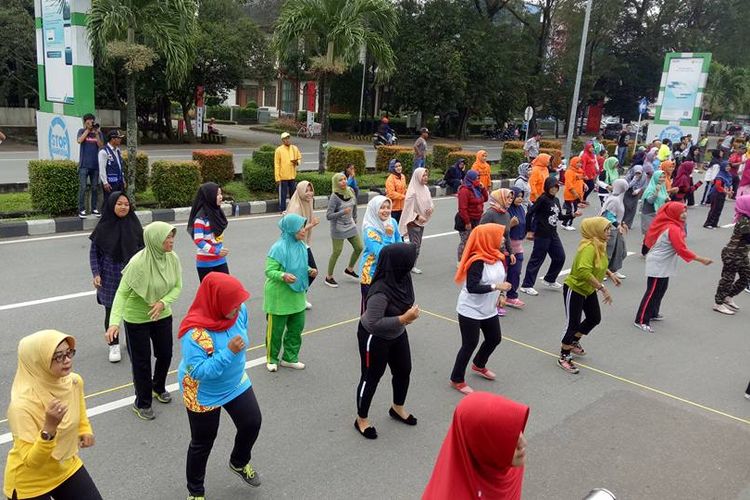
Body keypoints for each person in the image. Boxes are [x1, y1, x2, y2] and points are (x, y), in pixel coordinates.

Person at [178, 273, 263, 499]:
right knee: (203, 442)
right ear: (217, 303)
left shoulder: (239, 312)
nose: (239, 309)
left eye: (239, 303)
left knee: (252, 422)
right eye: (233, 305)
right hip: (202, 392)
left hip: (234, 382)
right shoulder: (195, 333)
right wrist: (228, 353)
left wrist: (233, 355)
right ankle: (195, 492)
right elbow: (198, 372)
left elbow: (241, 331)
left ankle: (238, 461)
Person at [4, 330, 102, 500]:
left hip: (66, 466)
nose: (67, 360)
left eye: (69, 353)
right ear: (38, 361)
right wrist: (49, 427)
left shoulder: (73, 381)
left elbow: (80, 411)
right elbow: (32, 462)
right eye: (58, 356)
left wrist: (85, 429)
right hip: (30, 483)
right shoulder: (21, 405)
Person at [106, 221, 183, 420]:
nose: (171, 240)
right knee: (141, 363)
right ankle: (142, 402)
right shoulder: (137, 263)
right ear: (155, 240)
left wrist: (163, 303)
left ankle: (158, 387)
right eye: (167, 237)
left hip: (162, 314)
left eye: (172, 236)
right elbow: (121, 294)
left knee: (165, 354)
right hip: (136, 318)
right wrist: (114, 323)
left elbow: (177, 287)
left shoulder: (172, 258)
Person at [355, 243, 420, 440]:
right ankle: (361, 419)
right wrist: (403, 318)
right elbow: (373, 323)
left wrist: (403, 320)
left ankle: (397, 407)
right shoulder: (380, 291)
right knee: (371, 377)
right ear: (399, 264)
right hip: (374, 337)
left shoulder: (403, 277)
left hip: (397, 333)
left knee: (403, 370)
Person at [423, 392, 529, 500]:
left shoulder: (509, 466)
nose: (523, 443)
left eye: (517, 433)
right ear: (483, 447)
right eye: (505, 439)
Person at [450, 224, 511, 394]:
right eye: (500, 236)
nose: (504, 239)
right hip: (470, 309)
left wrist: (501, 295)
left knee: (494, 338)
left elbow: (501, 279)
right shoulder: (477, 260)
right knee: (469, 344)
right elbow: (472, 287)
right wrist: (496, 286)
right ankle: (457, 379)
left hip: (488, 308)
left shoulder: (497, 256)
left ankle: (479, 364)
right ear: (488, 239)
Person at [634, 202, 712, 333]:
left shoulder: (670, 224)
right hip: (658, 263)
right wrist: (701, 259)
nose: (684, 214)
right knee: (652, 292)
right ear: (673, 213)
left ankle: (653, 313)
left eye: (685, 211)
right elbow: (681, 249)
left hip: (662, 262)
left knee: (660, 290)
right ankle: (641, 320)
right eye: (681, 212)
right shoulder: (673, 228)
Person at [558, 218, 622, 374]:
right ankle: (564, 356)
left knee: (594, 318)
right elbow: (583, 271)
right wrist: (602, 288)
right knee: (573, 324)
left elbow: (599, 263)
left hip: (588, 289)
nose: (609, 232)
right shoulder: (589, 248)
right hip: (576, 288)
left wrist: (610, 274)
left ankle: (573, 342)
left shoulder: (599, 244)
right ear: (596, 230)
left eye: (609, 229)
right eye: (606, 229)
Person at [89, 191, 144, 363]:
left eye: (126, 204)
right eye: (119, 203)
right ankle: (113, 345)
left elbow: (143, 251)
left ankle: (131, 341)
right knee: (111, 310)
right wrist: (96, 273)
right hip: (109, 276)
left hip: (131, 275)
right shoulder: (103, 226)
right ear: (112, 205)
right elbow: (94, 253)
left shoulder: (134, 225)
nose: (123, 207)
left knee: (131, 309)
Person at [264, 213, 315, 371]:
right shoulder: (278, 248)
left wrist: (309, 270)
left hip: (297, 294)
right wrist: (283, 275)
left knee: (296, 328)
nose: (303, 230)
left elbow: (299, 266)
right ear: (291, 229)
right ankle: (271, 359)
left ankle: (289, 358)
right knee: (276, 331)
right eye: (300, 228)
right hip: (279, 297)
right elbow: (269, 271)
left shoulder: (301, 245)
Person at [520, 177, 580, 296]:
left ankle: (550, 279)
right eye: (552, 187)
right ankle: (526, 285)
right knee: (537, 259)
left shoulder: (556, 200)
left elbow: (559, 217)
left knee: (560, 257)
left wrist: (572, 215)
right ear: (547, 187)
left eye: (556, 187)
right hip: (542, 234)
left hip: (553, 234)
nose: (554, 190)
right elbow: (530, 213)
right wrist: (529, 230)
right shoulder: (542, 199)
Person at [360, 195, 402, 311]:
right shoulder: (370, 230)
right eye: (382, 208)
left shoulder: (392, 222)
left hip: (389, 272)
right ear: (375, 209)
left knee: (387, 308)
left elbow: (399, 242)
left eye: (388, 207)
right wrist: (388, 236)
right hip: (371, 275)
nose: (386, 211)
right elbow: (382, 253)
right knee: (371, 311)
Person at [712, 196, 750, 315]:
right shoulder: (744, 220)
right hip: (732, 254)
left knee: (746, 277)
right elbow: (748, 238)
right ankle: (718, 303)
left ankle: (728, 296)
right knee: (727, 279)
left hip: (742, 254)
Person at [286, 181, 320, 310]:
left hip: (303, 243)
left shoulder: (307, 202)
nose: (310, 193)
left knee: (306, 272)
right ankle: (296, 298)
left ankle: (299, 297)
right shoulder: (296, 207)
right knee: (312, 271)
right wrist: (312, 224)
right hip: (296, 244)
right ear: (300, 191)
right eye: (306, 190)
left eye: (311, 190)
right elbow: (294, 231)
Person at [325, 173, 363, 287]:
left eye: (345, 179)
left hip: (350, 225)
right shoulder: (334, 196)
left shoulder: (350, 190)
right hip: (338, 227)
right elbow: (328, 215)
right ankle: (328, 277)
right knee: (337, 251)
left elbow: (354, 205)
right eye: (340, 180)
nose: (343, 181)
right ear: (336, 183)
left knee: (359, 247)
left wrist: (355, 217)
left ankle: (349, 269)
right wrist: (342, 212)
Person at [187, 182, 230, 281]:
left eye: (221, 194)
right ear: (209, 196)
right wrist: (216, 251)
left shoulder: (217, 212)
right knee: (209, 293)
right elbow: (198, 240)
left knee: (225, 288)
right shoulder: (200, 218)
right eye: (217, 194)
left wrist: (220, 250)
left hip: (220, 260)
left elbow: (216, 237)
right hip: (205, 264)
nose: (220, 197)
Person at [400, 167, 434, 274]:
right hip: (414, 222)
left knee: (416, 244)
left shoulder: (425, 189)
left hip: (423, 221)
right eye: (423, 175)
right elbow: (408, 209)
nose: (425, 178)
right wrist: (418, 217)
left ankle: (409, 264)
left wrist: (431, 209)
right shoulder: (412, 192)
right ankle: (410, 265)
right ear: (418, 176)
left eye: (426, 175)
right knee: (415, 244)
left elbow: (431, 202)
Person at [455, 170, 488, 262]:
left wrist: (483, 188)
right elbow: (462, 208)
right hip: (466, 220)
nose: (478, 180)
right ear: (471, 179)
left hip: (477, 219)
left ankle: (470, 259)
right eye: (477, 178)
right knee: (465, 241)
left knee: (475, 241)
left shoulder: (477, 188)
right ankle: (461, 261)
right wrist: (467, 222)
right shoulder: (464, 190)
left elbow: (485, 199)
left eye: (479, 178)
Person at [600, 178, 629, 279]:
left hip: (617, 229)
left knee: (621, 251)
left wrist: (623, 223)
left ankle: (613, 270)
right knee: (608, 252)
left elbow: (618, 214)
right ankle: (602, 271)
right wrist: (618, 225)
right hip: (610, 229)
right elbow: (608, 215)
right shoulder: (614, 200)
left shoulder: (619, 198)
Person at [77, 114, 104, 218]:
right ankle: (81, 209)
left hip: (95, 165)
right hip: (84, 165)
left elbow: (101, 146)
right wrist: (87, 130)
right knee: (83, 187)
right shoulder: (81, 131)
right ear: (85, 122)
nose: (91, 123)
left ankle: (94, 208)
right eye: (88, 121)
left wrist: (96, 134)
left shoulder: (98, 132)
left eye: (92, 121)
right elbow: (79, 140)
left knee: (94, 187)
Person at [505, 188, 527, 309]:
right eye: (517, 196)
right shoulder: (506, 210)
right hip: (505, 247)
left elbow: (525, 223)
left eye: (521, 196)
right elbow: (498, 229)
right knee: (502, 274)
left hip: (518, 246)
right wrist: (510, 224)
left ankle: (512, 296)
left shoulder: (521, 209)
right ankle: (498, 298)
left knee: (516, 272)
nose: (519, 198)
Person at [274, 132, 301, 212]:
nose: (287, 140)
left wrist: (296, 162)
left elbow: (299, 158)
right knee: (283, 195)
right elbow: (277, 164)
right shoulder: (279, 150)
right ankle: (282, 209)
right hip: (283, 176)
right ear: (282, 140)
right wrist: (277, 177)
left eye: (288, 138)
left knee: (293, 194)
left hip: (292, 176)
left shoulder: (294, 148)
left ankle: (292, 209)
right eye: (285, 139)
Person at [640, 170, 669, 242]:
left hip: (658, 213)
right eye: (660, 177)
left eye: (663, 177)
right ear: (655, 178)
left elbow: (664, 197)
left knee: (657, 236)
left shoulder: (662, 187)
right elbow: (650, 201)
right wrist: (656, 192)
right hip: (649, 214)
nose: (662, 179)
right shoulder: (651, 188)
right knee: (649, 236)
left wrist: (667, 199)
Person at [704, 161, 734, 229]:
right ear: (723, 167)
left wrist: (730, 191)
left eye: (729, 166)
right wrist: (727, 192)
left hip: (722, 194)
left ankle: (714, 223)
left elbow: (729, 184)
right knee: (714, 209)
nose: (728, 168)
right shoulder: (720, 175)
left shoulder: (728, 174)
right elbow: (718, 186)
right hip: (716, 194)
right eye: (726, 166)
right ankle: (708, 223)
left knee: (719, 209)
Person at [98, 129, 126, 194]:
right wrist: (105, 183)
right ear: (112, 139)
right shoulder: (104, 152)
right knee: (109, 202)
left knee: (118, 202)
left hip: (119, 182)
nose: (120, 140)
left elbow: (120, 166)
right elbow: (102, 169)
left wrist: (123, 179)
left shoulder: (118, 151)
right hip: (110, 184)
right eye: (118, 138)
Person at [562, 156, 586, 230]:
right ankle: (567, 224)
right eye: (577, 162)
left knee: (573, 209)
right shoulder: (569, 172)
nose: (579, 164)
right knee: (572, 210)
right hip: (571, 195)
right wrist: (574, 193)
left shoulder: (579, 171)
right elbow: (569, 184)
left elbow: (580, 180)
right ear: (573, 163)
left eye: (580, 163)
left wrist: (584, 185)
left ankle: (565, 223)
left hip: (577, 194)